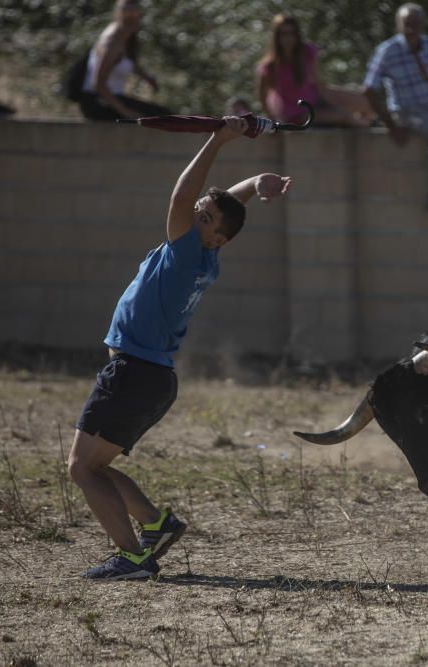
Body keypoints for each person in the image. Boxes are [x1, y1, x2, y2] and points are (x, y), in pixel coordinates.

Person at [69, 117, 292, 580]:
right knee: (96, 466)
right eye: (199, 214)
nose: (195, 216)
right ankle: (156, 525)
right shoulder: (205, 253)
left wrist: (220, 138)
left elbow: (181, 198)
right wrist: (252, 183)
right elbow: (216, 208)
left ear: (216, 238)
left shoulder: (187, 251)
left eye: (204, 219)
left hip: (133, 375)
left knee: (82, 469)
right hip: (151, 378)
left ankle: (133, 558)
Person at [363, 3, 428, 223]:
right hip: (407, 109)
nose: (411, 29)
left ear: (423, 24)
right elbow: (369, 88)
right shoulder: (387, 51)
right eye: (407, 24)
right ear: (398, 25)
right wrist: (390, 125)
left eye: (416, 24)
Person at [256, 13, 372, 128]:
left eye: (292, 33)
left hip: (315, 100)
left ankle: (366, 122)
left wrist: (334, 100)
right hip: (297, 115)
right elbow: (262, 95)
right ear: (277, 37)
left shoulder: (307, 51)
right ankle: (366, 127)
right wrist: (273, 120)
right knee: (343, 116)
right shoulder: (270, 66)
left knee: (364, 102)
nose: (288, 38)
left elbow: (319, 83)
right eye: (284, 34)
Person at [78, 0, 169, 121]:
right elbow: (99, 85)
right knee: (159, 119)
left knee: (164, 116)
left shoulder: (124, 39)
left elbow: (127, 63)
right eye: (129, 16)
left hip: (113, 99)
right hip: (97, 102)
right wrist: (126, 112)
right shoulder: (111, 42)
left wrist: (147, 77)